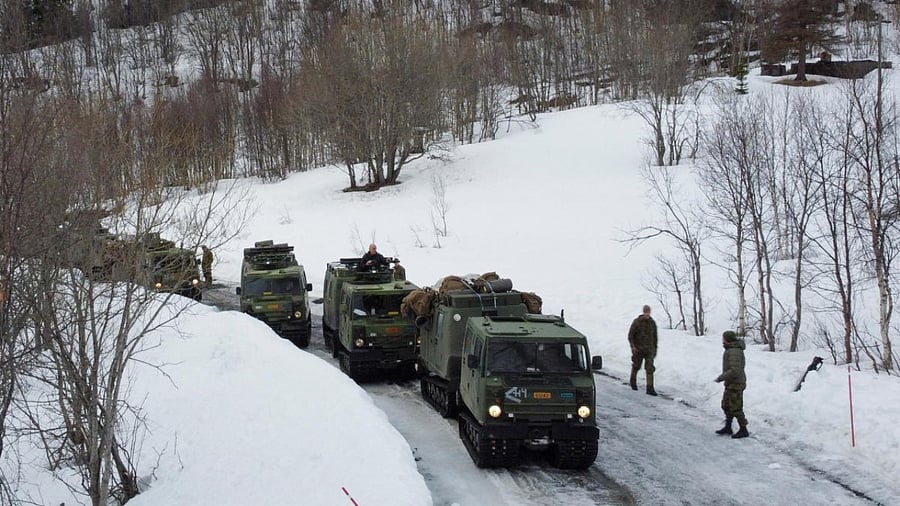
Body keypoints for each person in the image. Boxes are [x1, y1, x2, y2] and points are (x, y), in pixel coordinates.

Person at [715, 330, 749, 439]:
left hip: (736, 384)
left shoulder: (734, 351)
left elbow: (735, 370)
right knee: (726, 405)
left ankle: (743, 429)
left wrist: (722, 377)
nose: (722, 340)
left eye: (723, 338)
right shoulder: (730, 349)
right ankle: (728, 427)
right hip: (730, 383)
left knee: (736, 407)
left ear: (727, 339)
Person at [628, 304, 658, 396]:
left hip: (649, 350)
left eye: (648, 313)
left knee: (650, 369)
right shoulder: (637, 322)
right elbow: (631, 336)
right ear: (643, 312)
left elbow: (655, 337)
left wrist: (655, 349)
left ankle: (650, 388)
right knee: (636, 366)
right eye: (646, 313)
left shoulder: (652, 323)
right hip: (638, 349)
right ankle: (633, 382)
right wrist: (633, 347)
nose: (647, 315)